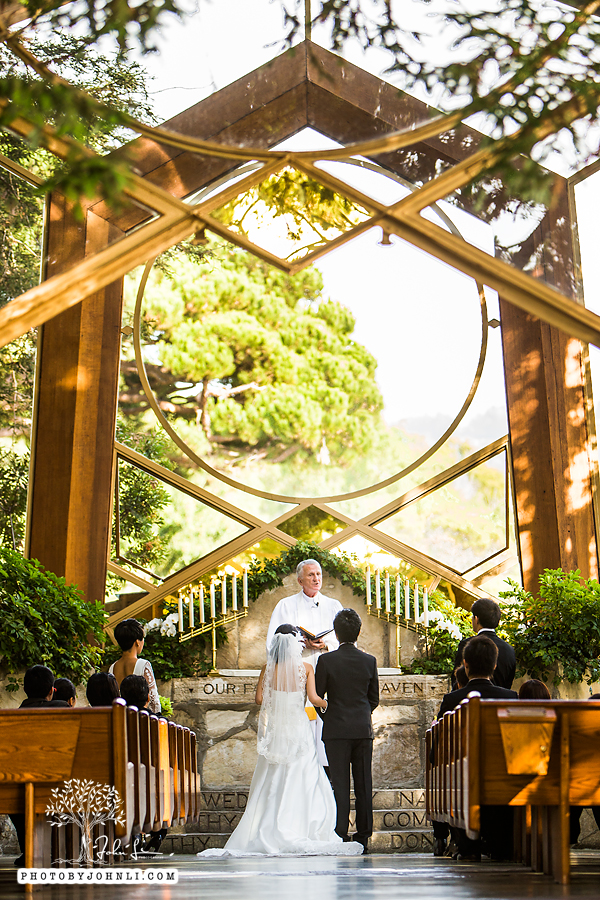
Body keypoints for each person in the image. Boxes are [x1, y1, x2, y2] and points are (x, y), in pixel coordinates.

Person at [197, 624, 362, 857]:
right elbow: (314, 698)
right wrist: (333, 704)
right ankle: (301, 825)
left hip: (277, 732)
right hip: (299, 730)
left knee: (272, 776)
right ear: (295, 644)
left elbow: (259, 698)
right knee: (303, 776)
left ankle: (268, 826)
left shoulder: (268, 668)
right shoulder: (305, 668)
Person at [433, 636, 518, 860]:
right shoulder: (510, 697)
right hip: (502, 775)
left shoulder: (452, 700)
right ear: (494, 666)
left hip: (463, 778)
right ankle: (501, 845)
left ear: (466, 665)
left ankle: (466, 844)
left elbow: (439, 745)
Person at [266, 560, 342, 767]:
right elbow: (274, 643)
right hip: (298, 673)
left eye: (318, 574)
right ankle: (303, 766)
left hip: (328, 671)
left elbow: (344, 640)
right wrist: (302, 643)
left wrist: (324, 644)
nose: (316, 578)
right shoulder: (286, 605)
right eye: (311, 575)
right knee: (303, 722)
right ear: (300, 580)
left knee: (324, 724)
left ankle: (326, 770)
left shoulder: (334, 606)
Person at [315, 608, 379, 853]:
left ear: (336, 634)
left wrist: (330, 716)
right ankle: (363, 835)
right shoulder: (369, 661)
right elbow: (374, 698)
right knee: (363, 783)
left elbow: (318, 697)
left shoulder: (326, 660)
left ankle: (340, 832)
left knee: (340, 784)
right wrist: (361, 715)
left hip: (335, 730)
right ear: (359, 632)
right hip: (362, 729)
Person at [11, 666, 71, 866]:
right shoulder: (64, 710)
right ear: (51, 690)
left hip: (19, 787)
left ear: (26, 689)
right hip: (60, 784)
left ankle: (29, 848)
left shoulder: (11, 719)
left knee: (15, 794)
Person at [452, 598, 516, 689]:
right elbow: (508, 683)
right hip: (500, 701)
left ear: (476, 619)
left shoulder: (467, 645)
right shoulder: (509, 649)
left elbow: (457, 681)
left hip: (471, 700)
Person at [108, 618, 160, 714]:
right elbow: (154, 700)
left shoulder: (112, 668)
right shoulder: (143, 665)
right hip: (140, 718)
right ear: (137, 642)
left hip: (121, 719)